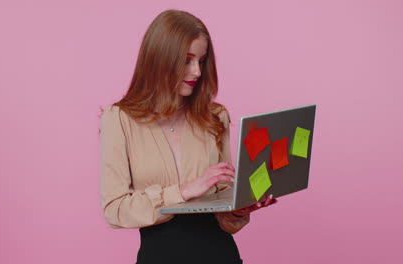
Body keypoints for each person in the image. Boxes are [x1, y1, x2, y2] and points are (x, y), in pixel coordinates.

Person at [100, 9, 277, 264]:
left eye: (202, 61)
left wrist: (237, 209)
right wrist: (183, 191)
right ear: (159, 59)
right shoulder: (118, 119)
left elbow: (223, 201)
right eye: (186, 60)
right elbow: (115, 210)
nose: (196, 72)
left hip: (221, 255)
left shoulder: (215, 116)